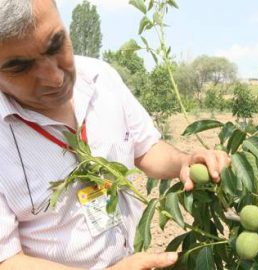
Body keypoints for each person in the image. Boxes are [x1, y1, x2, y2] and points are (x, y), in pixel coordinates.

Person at [0, 0, 230, 269]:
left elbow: (146, 148)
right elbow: (7, 259)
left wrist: (183, 162)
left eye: (56, 45)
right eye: (20, 68)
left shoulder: (100, 77)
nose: (54, 78)